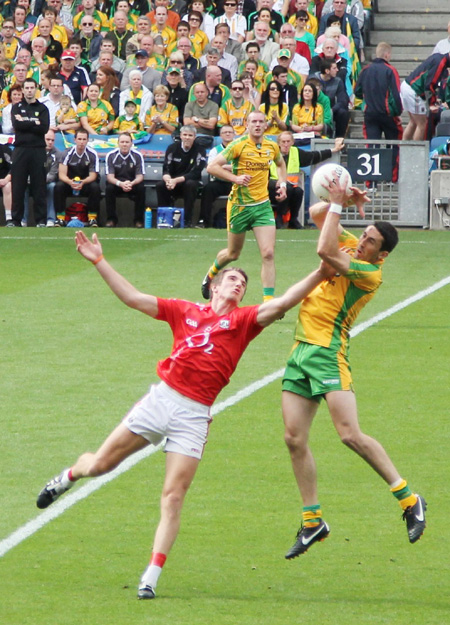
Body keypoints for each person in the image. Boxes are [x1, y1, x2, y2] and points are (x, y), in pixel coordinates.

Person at [36, 229, 331, 600]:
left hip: (194, 416)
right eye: (233, 279)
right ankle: (68, 475)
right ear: (215, 286)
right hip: (162, 400)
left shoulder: (243, 322)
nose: (239, 285)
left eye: (243, 283)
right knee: (98, 466)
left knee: (173, 496)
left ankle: (151, 576)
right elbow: (132, 298)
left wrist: (322, 272)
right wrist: (98, 260)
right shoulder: (184, 311)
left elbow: (284, 301)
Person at [282, 176, 427, 559]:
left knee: (349, 434)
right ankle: (313, 522)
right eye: (363, 235)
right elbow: (315, 212)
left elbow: (324, 248)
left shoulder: (369, 273)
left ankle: (409, 499)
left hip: (329, 354)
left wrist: (338, 205)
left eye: (371, 242)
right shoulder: (351, 246)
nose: (362, 242)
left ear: (382, 255)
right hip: (300, 352)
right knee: (294, 439)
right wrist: (341, 198)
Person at [201, 110, 287, 302]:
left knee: (268, 253)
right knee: (233, 254)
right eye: (253, 121)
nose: (257, 125)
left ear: (266, 125)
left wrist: (282, 184)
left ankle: (268, 303)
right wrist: (235, 178)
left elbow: (281, 165)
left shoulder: (271, 147)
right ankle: (211, 274)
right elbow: (212, 166)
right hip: (239, 206)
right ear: (247, 125)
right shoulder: (238, 145)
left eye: (261, 122)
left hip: (262, 206)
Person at [268, 131, 344, 229]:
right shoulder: (272, 154)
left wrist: (334, 150)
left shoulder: (296, 152)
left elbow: (313, 156)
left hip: (290, 187)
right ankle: (279, 218)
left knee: (299, 191)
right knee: (289, 189)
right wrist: (275, 183)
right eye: (283, 142)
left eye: (288, 142)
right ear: (278, 143)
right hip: (272, 187)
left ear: (292, 142)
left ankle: (293, 220)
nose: (286, 145)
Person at [354, 42, 403, 182]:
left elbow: (357, 91)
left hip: (369, 114)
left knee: (371, 146)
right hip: (387, 114)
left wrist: (366, 100)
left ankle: (371, 183)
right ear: (387, 54)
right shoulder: (390, 70)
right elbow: (395, 94)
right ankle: (391, 179)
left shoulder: (365, 70)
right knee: (393, 144)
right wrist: (397, 112)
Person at [9, 78, 50, 228]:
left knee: (39, 186)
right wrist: (34, 122)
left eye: (32, 87)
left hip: (38, 150)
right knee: (18, 186)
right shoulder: (16, 107)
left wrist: (27, 123)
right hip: (21, 150)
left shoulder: (43, 108)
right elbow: (17, 125)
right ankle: (15, 220)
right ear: (23, 90)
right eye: (26, 88)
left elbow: (44, 128)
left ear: (36, 89)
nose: (29, 90)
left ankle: (41, 220)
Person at [156, 125, 206, 227]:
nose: (187, 137)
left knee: (190, 184)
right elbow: (166, 168)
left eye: (190, 135)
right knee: (160, 185)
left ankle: (187, 221)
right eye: (185, 135)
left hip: (190, 182)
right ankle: (165, 219)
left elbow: (196, 172)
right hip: (173, 182)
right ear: (181, 136)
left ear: (194, 137)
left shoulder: (200, 150)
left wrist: (176, 180)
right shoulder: (172, 148)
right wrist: (169, 180)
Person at [54, 127, 100, 227]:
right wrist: (71, 182)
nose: (82, 142)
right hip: (69, 183)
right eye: (79, 139)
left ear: (87, 140)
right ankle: (60, 218)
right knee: (58, 186)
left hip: (85, 183)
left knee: (95, 187)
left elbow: (93, 175)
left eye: (84, 139)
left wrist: (82, 182)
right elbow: (61, 174)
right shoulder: (66, 153)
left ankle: (92, 218)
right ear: (75, 140)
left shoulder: (92, 154)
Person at [400, 52, 450, 141]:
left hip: (407, 85)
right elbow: (429, 84)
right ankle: (417, 153)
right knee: (422, 124)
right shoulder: (441, 62)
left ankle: (404, 149)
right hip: (414, 90)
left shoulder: (438, 57)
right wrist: (431, 103)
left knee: (413, 122)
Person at [105, 132, 146, 228]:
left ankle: (138, 220)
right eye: (122, 142)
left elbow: (140, 176)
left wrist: (131, 183)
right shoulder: (111, 155)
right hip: (117, 183)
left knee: (141, 188)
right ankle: (111, 219)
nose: (124, 144)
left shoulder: (137, 155)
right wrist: (121, 184)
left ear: (131, 143)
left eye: (127, 142)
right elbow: (110, 177)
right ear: (118, 143)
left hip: (132, 183)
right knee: (109, 188)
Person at [199, 124, 235, 227]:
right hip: (220, 181)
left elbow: (243, 167)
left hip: (236, 181)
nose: (227, 134)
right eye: (225, 132)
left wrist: (222, 167)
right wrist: (231, 167)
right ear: (220, 135)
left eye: (230, 132)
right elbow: (211, 168)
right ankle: (204, 222)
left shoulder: (239, 149)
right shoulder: (215, 150)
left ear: (234, 134)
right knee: (208, 189)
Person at [0, 140, 12, 224]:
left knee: (8, 186)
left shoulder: (5, 150)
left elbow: (14, 167)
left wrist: (6, 179)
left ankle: (9, 219)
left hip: (4, 181)